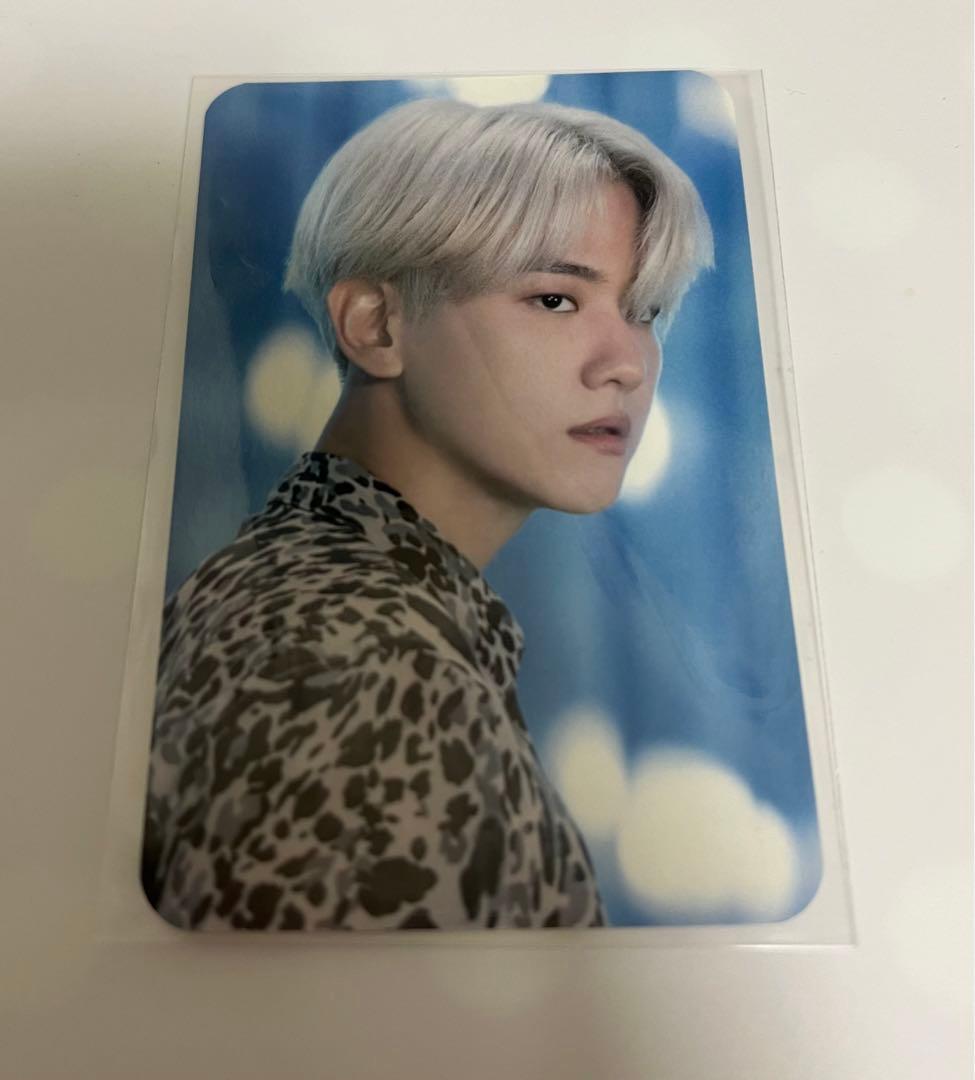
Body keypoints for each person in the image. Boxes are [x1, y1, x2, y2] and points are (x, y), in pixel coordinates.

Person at [141, 96, 713, 931]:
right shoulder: (365, 660)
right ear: (376, 325)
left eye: (644, 311)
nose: (625, 362)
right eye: (556, 299)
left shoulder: (305, 593)